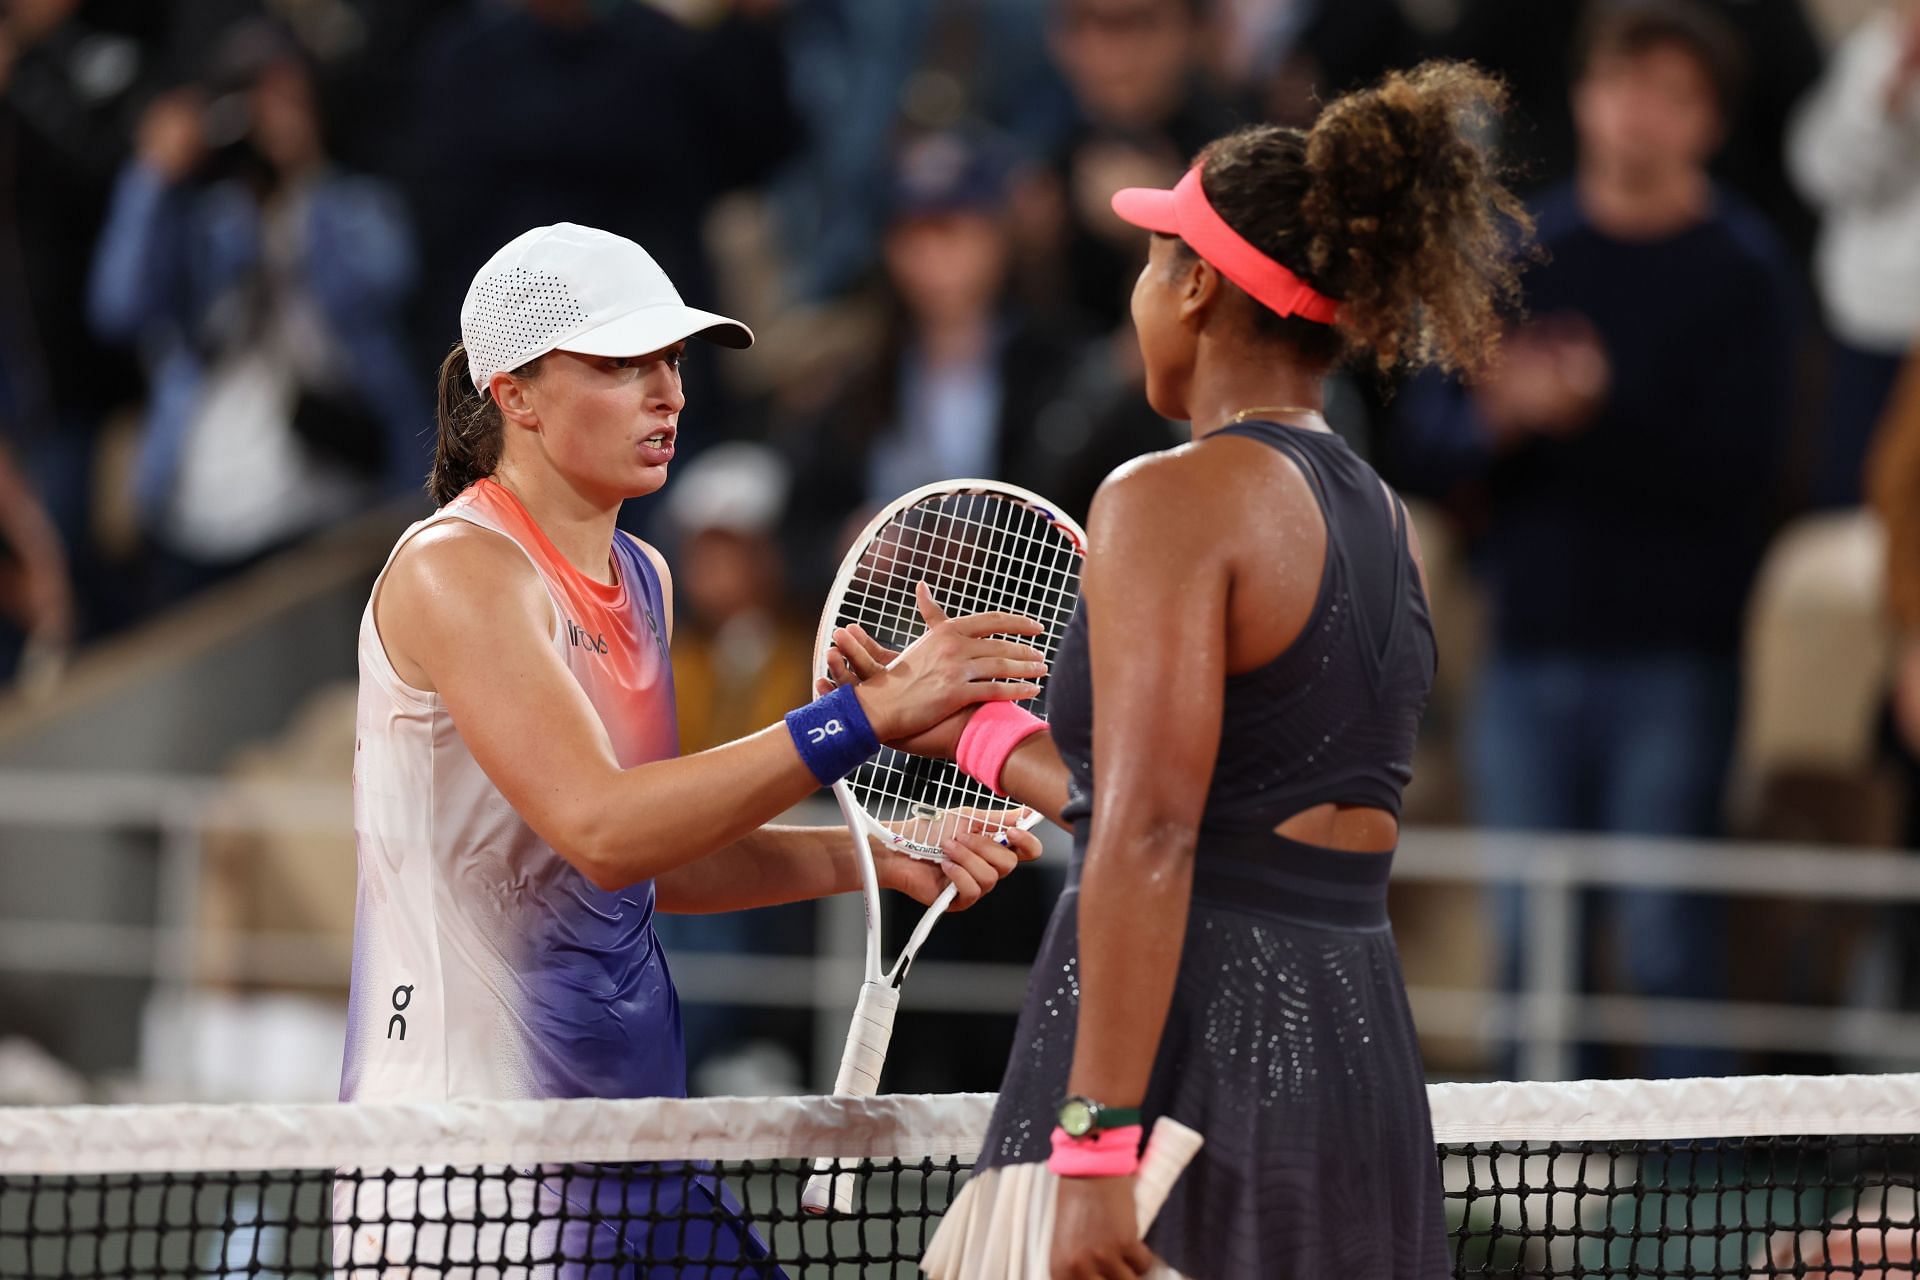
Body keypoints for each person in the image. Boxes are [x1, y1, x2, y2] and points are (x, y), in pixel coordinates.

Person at [831, 64, 1527, 1279]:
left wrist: (1097, 1146)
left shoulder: (1166, 495)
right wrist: (978, 736)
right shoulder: (1382, 515)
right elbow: (1212, 811)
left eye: (1156, 262)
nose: (1141, 292)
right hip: (1356, 1061)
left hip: (1183, 1058)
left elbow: (1152, 835)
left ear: (1197, 285)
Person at [334, 222, 1047, 1275]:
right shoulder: (460, 568)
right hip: (471, 1176)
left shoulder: (647, 579)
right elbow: (602, 828)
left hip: (636, 1145)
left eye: (670, 361)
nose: (668, 392)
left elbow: (652, 860)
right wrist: (862, 717)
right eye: (622, 364)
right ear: (516, 393)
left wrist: (882, 853)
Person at [1396, 0, 1798, 1080]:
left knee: (1666, 934)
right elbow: (1428, 440)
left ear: (1711, 120)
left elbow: (1747, 474)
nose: (1639, 117)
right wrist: (1503, 416)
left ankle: (1698, 1196)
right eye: (1624, 85)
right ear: (1584, 96)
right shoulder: (1519, 250)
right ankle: (1540, 1222)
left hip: (1675, 653)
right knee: (1531, 941)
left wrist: (1595, 410)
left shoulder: (1742, 270)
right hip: (1527, 642)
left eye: (1673, 95)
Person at [89, 23, 424, 607]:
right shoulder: (201, 221)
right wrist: (154, 177)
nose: (269, 119)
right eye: (253, 102)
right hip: (205, 508)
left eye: (288, 99)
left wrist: (304, 174)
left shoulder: (353, 207)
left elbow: (374, 286)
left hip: (335, 495)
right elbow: (120, 307)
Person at [1788, 0, 1920, 507]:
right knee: (1852, 506)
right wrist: (1891, 93)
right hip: (1869, 325)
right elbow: (1823, 173)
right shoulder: (1874, 50)